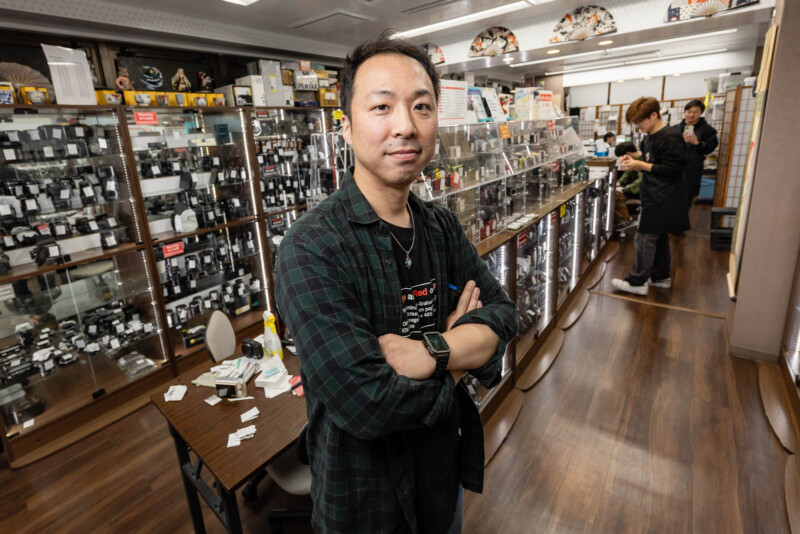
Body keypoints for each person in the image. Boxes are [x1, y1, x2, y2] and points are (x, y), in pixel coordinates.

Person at [275, 30, 518, 534]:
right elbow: (369, 404)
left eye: (421, 107)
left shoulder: (441, 226)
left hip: (443, 472)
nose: (405, 126)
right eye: (382, 107)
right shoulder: (311, 247)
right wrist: (458, 354)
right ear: (346, 127)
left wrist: (431, 351)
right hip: (364, 501)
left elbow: (502, 315)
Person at [611, 97, 686, 296]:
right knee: (659, 238)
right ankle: (661, 276)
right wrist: (633, 158)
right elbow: (648, 157)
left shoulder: (670, 136)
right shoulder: (650, 135)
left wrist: (640, 165)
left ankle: (637, 281)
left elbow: (673, 169)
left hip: (663, 197)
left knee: (643, 239)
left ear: (654, 115)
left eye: (639, 122)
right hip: (653, 193)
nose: (638, 127)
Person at [675, 99, 718, 206]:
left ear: (701, 113)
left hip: (692, 169)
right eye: (689, 111)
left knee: (687, 198)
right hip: (674, 167)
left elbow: (709, 148)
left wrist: (698, 143)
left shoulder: (708, 130)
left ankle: (682, 221)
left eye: (695, 112)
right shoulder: (674, 129)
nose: (691, 115)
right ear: (684, 112)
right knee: (671, 197)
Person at [612, 142, 642, 233]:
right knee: (614, 192)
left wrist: (626, 189)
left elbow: (641, 179)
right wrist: (618, 182)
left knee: (616, 195)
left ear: (628, 153)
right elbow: (628, 173)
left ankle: (625, 220)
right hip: (634, 188)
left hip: (641, 190)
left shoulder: (643, 159)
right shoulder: (635, 158)